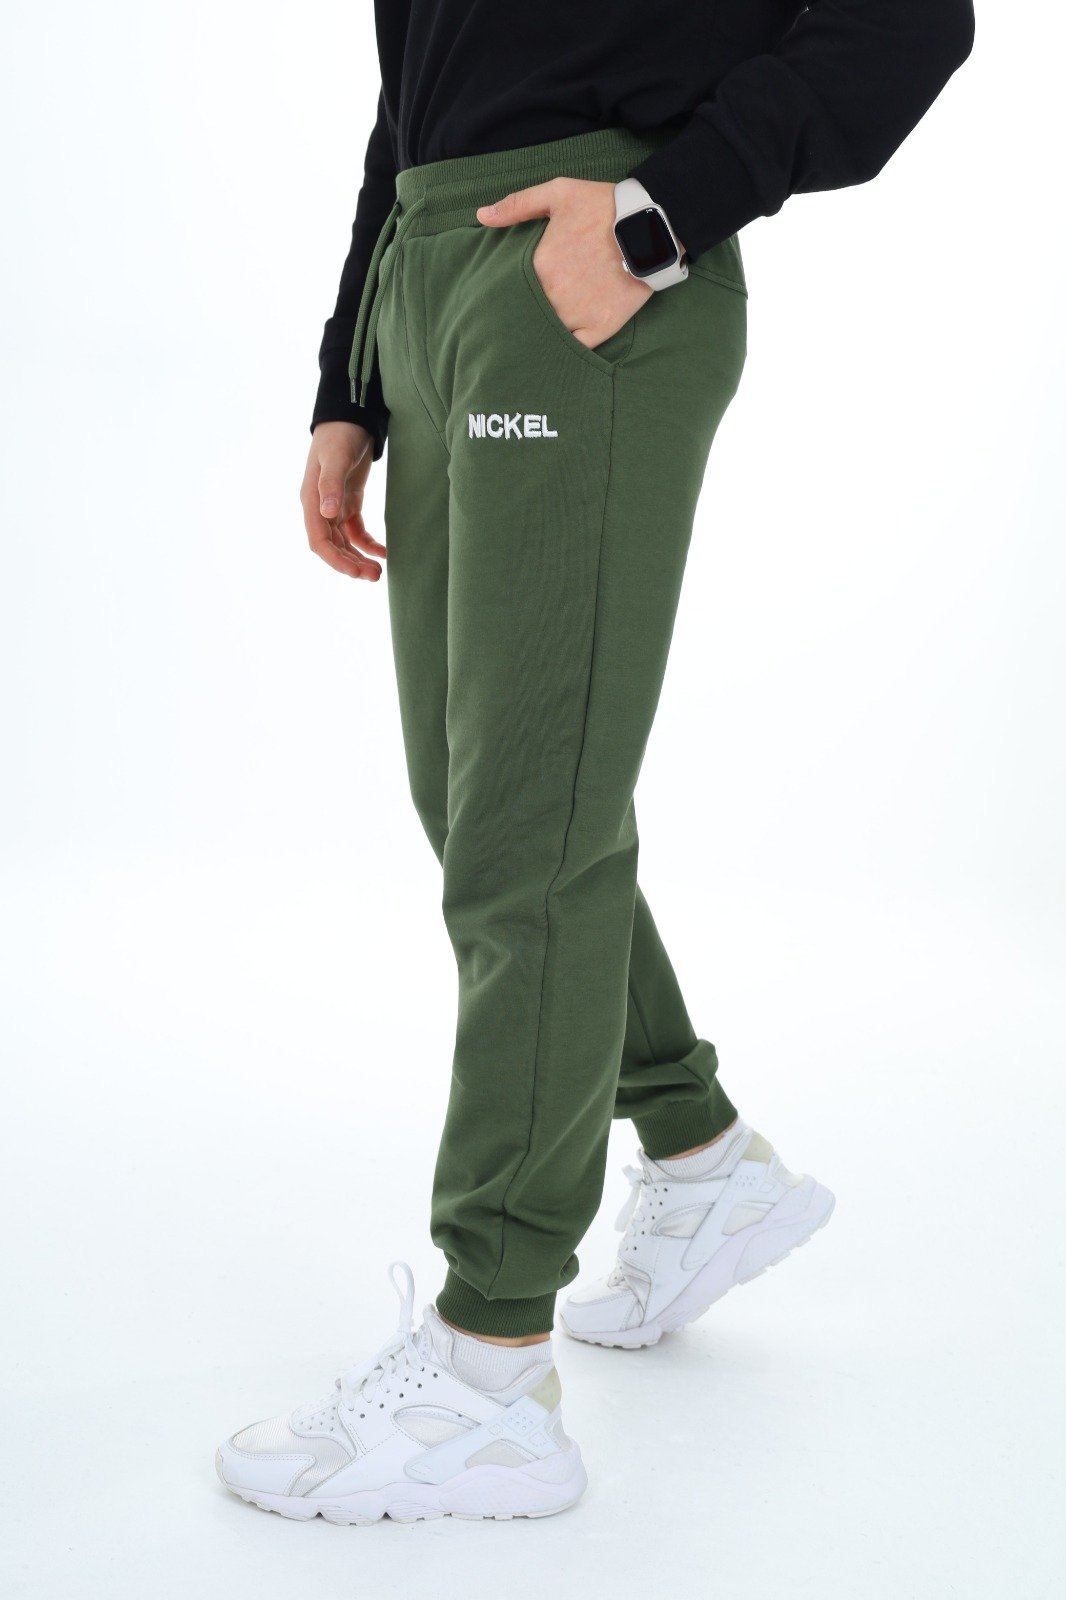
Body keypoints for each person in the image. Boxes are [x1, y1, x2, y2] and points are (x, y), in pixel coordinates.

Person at [215, 0, 974, 1524]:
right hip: (431, 275)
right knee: (476, 798)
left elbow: (909, 22)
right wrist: (350, 382)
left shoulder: (622, 238)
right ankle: (698, 1156)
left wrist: (650, 221)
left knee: (524, 828)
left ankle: (489, 1371)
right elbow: (413, 91)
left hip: (581, 274)